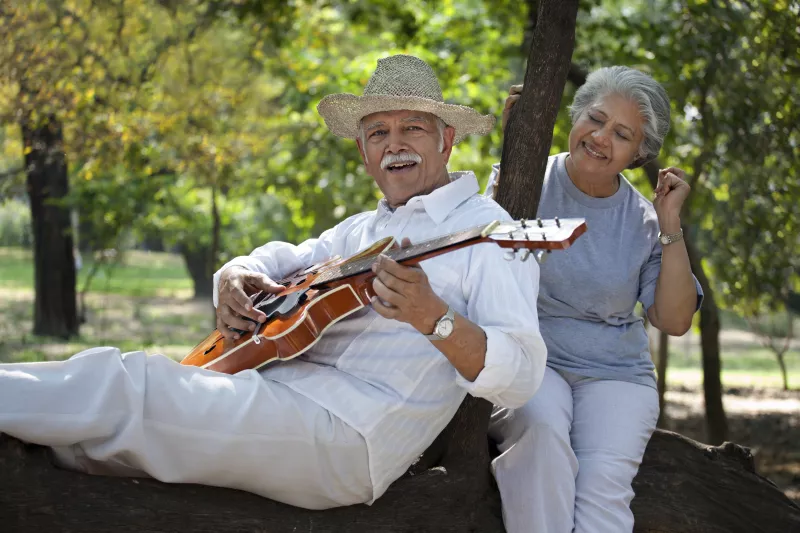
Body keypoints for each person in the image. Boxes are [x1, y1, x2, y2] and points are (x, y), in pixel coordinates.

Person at [0, 55, 547, 510]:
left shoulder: (491, 235)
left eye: (413, 129)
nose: (394, 144)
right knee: (115, 420)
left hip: (353, 434)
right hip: (281, 393)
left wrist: (436, 319)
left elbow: (520, 377)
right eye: (378, 132)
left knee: (133, 383)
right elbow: (288, 258)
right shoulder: (365, 227)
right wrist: (234, 271)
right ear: (362, 151)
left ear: (446, 139)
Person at [486, 66, 704, 533]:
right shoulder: (522, 181)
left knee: (603, 486)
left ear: (637, 154)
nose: (601, 137)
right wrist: (513, 147)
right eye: (595, 118)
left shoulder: (643, 221)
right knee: (542, 436)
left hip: (615, 374)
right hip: (530, 356)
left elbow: (674, 318)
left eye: (622, 134)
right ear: (575, 116)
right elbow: (482, 260)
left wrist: (669, 222)